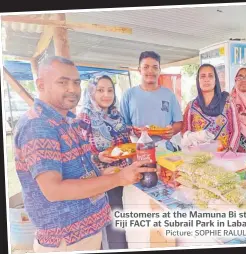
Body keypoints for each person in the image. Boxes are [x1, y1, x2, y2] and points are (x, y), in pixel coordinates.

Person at [13, 56, 156, 252]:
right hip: (66, 240)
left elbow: (76, 168)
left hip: (83, 234)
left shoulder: (66, 119)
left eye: (76, 82)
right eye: (62, 82)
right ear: (41, 84)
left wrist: (101, 174)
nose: (72, 89)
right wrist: (119, 178)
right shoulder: (38, 125)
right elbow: (54, 190)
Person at [78, 75, 131, 249]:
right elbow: (79, 152)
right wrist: (97, 157)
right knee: (110, 227)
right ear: (92, 92)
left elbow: (124, 141)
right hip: (101, 180)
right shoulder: (85, 117)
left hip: (123, 176)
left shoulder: (116, 114)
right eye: (100, 90)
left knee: (121, 222)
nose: (106, 94)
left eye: (110, 90)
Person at [120, 51, 183, 142]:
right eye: (146, 67)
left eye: (155, 67)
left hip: (165, 149)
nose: (150, 71)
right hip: (138, 148)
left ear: (159, 70)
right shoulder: (129, 95)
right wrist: (133, 131)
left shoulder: (169, 94)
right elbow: (122, 125)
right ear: (139, 70)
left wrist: (172, 131)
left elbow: (178, 122)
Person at [182, 63, 240, 151]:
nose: (206, 79)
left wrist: (230, 152)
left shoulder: (228, 101)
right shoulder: (192, 106)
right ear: (198, 80)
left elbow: (236, 130)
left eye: (210, 76)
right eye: (203, 76)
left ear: (215, 80)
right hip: (200, 158)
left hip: (224, 157)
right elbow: (186, 134)